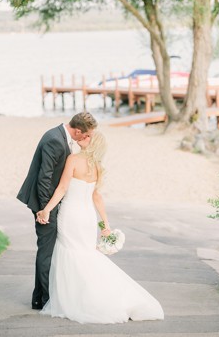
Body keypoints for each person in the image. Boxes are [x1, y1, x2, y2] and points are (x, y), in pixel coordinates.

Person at [34, 131, 164, 323]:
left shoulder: (73, 159)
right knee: (85, 254)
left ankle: (80, 298)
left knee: (71, 253)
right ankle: (98, 294)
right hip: (87, 217)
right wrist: (105, 224)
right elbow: (97, 197)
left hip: (71, 215)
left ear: (92, 143)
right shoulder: (97, 166)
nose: (82, 138)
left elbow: (62, 189)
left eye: (87, 137)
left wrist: (46, 210)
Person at [17, 112, 97, 310]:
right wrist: (45, 211)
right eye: (87, 135)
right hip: (43, 204)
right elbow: (45, 178)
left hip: (51, 203)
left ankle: (38, 298)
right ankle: (46, 299)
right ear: (78, 131)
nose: (88, 138)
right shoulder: (55, 140)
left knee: (48, 251)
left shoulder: (64, 137)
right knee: (46, 253)